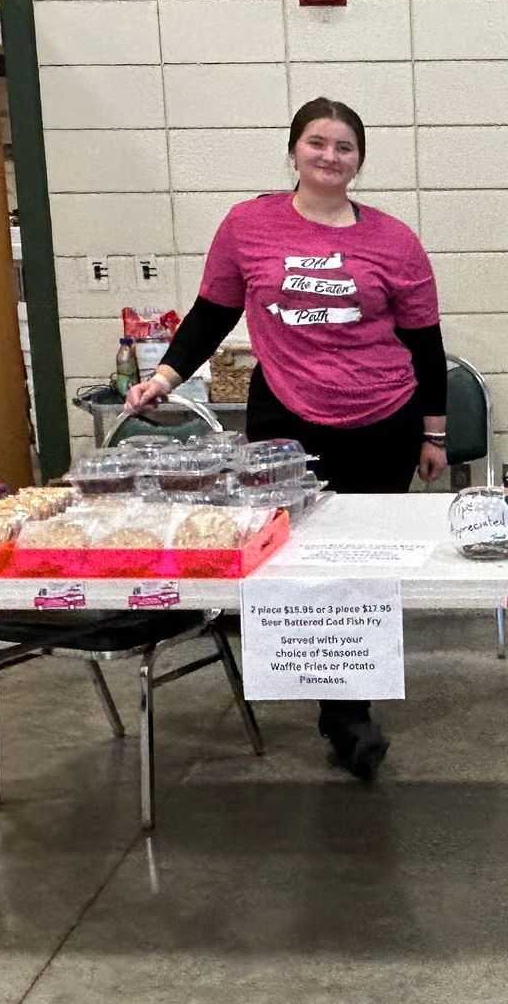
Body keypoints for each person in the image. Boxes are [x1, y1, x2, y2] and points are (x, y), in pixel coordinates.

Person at [125, 97, 446, 781]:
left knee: (361, 567)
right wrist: (166, 376)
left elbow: (425, 343)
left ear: (360, 160)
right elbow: (214, 310)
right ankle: (314, 683)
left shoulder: (393, 241)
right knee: (292, 561)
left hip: (381, 420)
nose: (330, 157)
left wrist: (434, 433)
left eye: (344, 147)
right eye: (317, 143)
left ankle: (347, 713)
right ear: (293, 151)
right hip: (285, 419)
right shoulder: (249, 226)